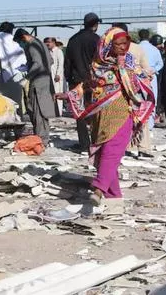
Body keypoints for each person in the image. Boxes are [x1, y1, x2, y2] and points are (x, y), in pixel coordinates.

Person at [58, 27, 154, 204]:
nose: (122, 47)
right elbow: (89, 85)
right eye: (117, 44)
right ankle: (113, 194)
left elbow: (140, 82)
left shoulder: (128, 62)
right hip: (101, 116)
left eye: (125, 43)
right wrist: (71, 93)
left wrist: (129, 71)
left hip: (123, 111)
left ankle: (99, 188)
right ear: (107, 44)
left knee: (112, 149)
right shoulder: (97, 65)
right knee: (104, 153)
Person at [64, 13, 101, 151]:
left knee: (79, 112)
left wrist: (69, 79)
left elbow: (68, 62)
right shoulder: (97, 40)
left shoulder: (73, 39)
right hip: (94, 82)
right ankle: (96, 141)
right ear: (95, 25)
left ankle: (84, 143)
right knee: (95, 110)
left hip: (76, 81)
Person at [15, 29, 56, 145]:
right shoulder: (41, 44)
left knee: (36, 112)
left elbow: (37, 64)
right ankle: (43, 139)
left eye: (19, 42)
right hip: (46, 81)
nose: (20, 46)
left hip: (37, 83)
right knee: (42, 112)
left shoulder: (32, 46)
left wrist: (27, 76)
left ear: (23, 37)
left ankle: (40, 140)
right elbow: (50, 61)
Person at [0, 21, 28, 115]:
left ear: (0, 29)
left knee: (0, 101)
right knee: (16, 101)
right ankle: (18, 121)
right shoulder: (16, 42)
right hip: (17, 76)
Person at [138, 29, 163, 131]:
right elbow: (160, 64)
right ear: (149, 37)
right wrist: (153, 71)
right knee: (152, 99)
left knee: (139, 100)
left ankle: (139, 123)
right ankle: (150, 125)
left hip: (138, 76)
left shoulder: (136, 48)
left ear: (139, 36)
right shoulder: (155, 49)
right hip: (152, 77)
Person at [45, 37, 65, 116]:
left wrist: (58, 74)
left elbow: (60, 64)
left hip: (56, 77)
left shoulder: (58, 51)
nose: (47, 44)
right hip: (48, 76)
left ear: (53, 42)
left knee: (58, 94)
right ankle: (51, 111)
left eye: (48, 42)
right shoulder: (47, 52)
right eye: (45, 42)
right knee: (50, 95)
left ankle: (59, 112)